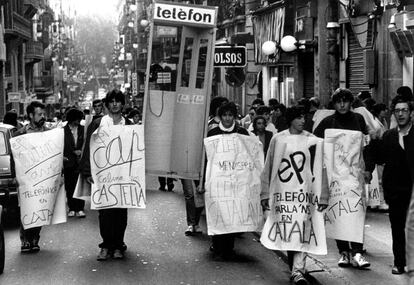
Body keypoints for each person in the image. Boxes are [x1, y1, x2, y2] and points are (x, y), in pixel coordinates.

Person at [261, 105, 329, 285]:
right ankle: (296, 267)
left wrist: (323, 195)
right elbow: (269, 167)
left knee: (303, 230)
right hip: (283, 194)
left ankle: (297, 271)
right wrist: (264, 193)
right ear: (291, 119)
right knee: (289, 231)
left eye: (303, 117)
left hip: (304, 194)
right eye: (298, 117)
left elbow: (321, 168)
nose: (302, 120)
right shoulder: (278, 139)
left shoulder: (313, 140)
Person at [314, 88, 374, 269]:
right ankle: (344, 252)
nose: (342, 104)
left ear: (350, 103)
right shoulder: (327, 122)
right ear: (334, 103)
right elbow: (314, 145)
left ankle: (357, 251)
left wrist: (369, 168)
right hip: (335, 178)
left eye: (345, 101)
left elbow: (368, 146)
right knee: (338, 214)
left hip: (355, 175)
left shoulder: (359, 120)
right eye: (338, 101)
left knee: (356, 213)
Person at [80, 90, 131, 261]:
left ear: (123, 104)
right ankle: (106, 245)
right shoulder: (97, 123)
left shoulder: (129, 124)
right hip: (102, 175)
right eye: (112, 101)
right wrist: (88, 172)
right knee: (105, 212)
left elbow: (136, 149)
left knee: (121, 211)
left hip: (123, 175)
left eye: (118, 101)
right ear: (107, 104)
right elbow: (89, 147)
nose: (115, 104)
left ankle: (118, 245)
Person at [372, 95, 413, 274]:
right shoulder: (388, 136)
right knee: (397, 228)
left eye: (404, 110)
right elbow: (380, 159)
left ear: (411, 113)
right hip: (396, 191)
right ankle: (399, 262)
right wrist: (373, 141)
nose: (401, 114)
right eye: (397, 111)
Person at [205, 102, 250, 259]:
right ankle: (217, 246)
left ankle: (228, 248)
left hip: (236, 181)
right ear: (220, 116)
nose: (227, 118)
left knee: (232, 214)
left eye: (230, 115)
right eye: (224, 115)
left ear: (234, 116)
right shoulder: (213, 134)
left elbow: (249, 156)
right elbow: (208, 159)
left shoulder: (242, 132)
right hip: (217, 180)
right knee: (218, 212)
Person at [14, 101, 49, 253]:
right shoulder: (20, 134)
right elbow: (13, 157)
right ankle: (25, 240)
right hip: (25, 177)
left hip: (41, 177)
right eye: (39, 114)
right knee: (26, 209)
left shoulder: (48, 133)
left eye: (43, 114)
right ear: (30, 115)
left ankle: (35, 237)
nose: (42, 117)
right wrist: (15, 175)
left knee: (39, 208)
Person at [63, 108, 85, 218]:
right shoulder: (63, 130)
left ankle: (80, 208)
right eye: (77, 119)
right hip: (68, 162)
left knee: (80, 185)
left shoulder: (83, 129)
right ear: (72, 119)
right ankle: (71, 207)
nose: (79, 121)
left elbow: (86, 143)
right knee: (69, 185)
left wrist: (81, 151)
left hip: (80, 162)